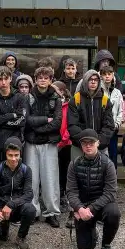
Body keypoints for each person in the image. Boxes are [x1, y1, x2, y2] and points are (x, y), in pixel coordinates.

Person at [66, 130, 120, 249]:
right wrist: (78, 208)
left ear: (98, 143)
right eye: (85, 143)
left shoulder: (108, 164)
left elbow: (110, 192)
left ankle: (106, 246)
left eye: (91, 143)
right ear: (81, 145)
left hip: (101, 205)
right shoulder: (74, 164)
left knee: (114, 213)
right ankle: (92, 231)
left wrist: (90, 209)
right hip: (83, 206)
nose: (88, 146)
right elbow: (71, 192)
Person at [24, 65, 63, 227]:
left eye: (46, 78)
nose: (42, 80)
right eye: (40, 77)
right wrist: (43, 122)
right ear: (35, 79)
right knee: (31, 178)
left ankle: (51, 212)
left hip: (49, 142)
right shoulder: (28, 97)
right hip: (31, 142)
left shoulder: (56, 98)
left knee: (50, 178)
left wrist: (39, 127)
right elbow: (27, 120)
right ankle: (32, 211)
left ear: (50, 80)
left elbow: (57, 122)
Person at [0, 138, 36, 249]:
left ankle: (21, 237)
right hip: (0, 207)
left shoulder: (26, 170)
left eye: (16, 155)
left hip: (16, 207)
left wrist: (12, 204)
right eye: (10, 155)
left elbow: (29, 194)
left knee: (31, 209)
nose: (14, 159)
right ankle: (4, 226)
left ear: (20, 154)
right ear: (5, 154)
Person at [67, 69, 115, 160]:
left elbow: (109, 125)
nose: (93, 82)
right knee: (78, 172)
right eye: (90, 79)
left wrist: (98, 143)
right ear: (85, 81)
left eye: (96, 80)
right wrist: (85, 143)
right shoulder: (76, 99)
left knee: (101, 173)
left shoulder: (105, 100)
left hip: (100, 146)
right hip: (79, 146)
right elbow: (72, 125)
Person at [52, 81, 72, 224]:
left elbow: (69, 125)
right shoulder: (52, 103)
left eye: (58, 90)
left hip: (66, 145)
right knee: (54, 172)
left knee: (64, 171)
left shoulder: (69, 106)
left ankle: (64, 195)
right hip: (53, 143)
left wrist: (62, 141)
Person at [99, 65, 124, 167]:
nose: (107, 76)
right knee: (101, 155)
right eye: (104, 74)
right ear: (101, 76)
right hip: (101, 129)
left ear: (113, 75)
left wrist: (117, 124)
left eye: (109, 74)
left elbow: (120, 110)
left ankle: (113, 179)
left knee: (113, 155)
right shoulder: (98, 92)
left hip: (113, 130)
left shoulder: (117, 92)